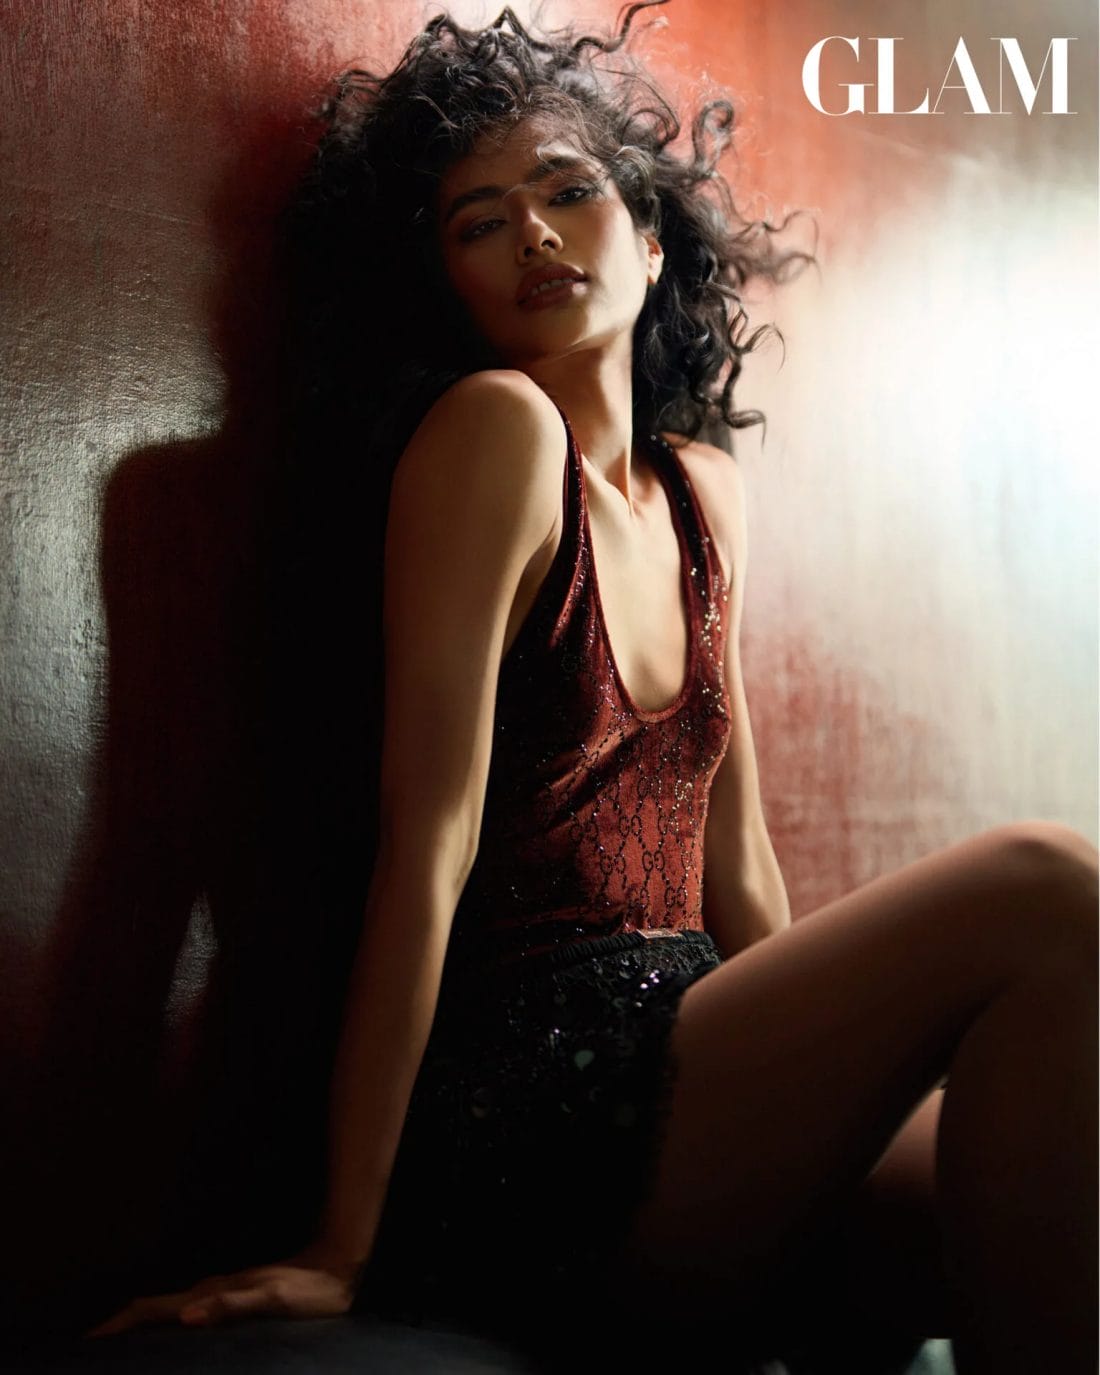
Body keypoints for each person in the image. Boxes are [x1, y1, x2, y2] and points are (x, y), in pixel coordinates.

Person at [86, 5, 1097, 1371]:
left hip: (697, 1055)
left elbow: (737, 854)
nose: (535, 235)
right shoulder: (493, 434)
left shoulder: (705, 493)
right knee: (1051, 882)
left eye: (568, 193)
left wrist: (825, 1095)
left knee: (1020, 1175)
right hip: (539, 1103)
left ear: (652, 236)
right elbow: (425, 849)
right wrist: (340, 1244)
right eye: (480, 222)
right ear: (446, 281)